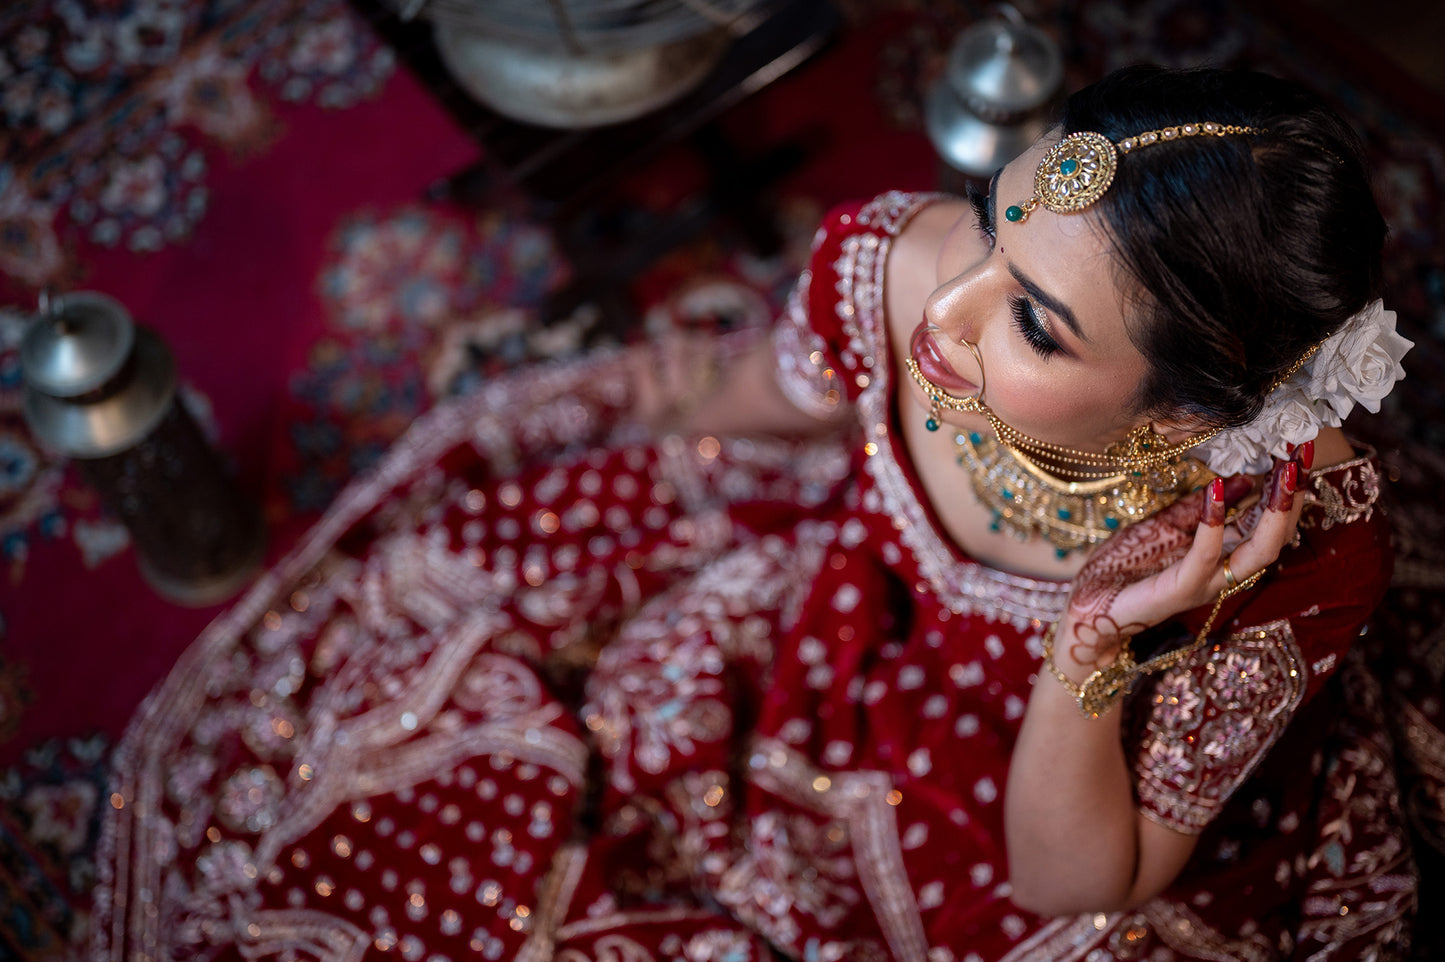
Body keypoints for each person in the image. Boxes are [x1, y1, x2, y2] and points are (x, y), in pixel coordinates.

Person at [92, 65, 1418, 961]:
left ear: (1181, 415)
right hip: (825, 624)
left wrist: (1091, 650)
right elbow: (782, 382)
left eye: (1032, 318)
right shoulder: (901, 259)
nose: (940, 315)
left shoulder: (1268, 557)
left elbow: (1072, 880)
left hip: (1046, 773)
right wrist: (657, 409)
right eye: (988, 221)